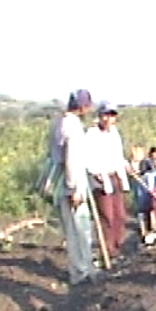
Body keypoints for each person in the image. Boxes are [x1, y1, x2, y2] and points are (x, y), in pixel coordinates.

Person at [47, 89, 98, 286]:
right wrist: (74, 188)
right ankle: (81, 272)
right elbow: (72, 159)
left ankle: (83, 268)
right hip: (71, 183)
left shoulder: (59, 122)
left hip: (63, 182)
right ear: (83, 106)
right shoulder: (72, 126)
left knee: (74, 229)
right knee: (79, 229)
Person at [85, 102, 131, 261]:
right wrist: (94, 172)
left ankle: (119, 246)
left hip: (116, 176)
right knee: (107, 216)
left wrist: (126, 165)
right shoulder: (91, 134)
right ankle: (108, 251)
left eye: (111, 115)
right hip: (101, 179)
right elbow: (87, 158)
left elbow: (118, 155)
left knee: (120, 215)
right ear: (99, 116)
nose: (108, 119)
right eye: (106, 115)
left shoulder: (114, 133)